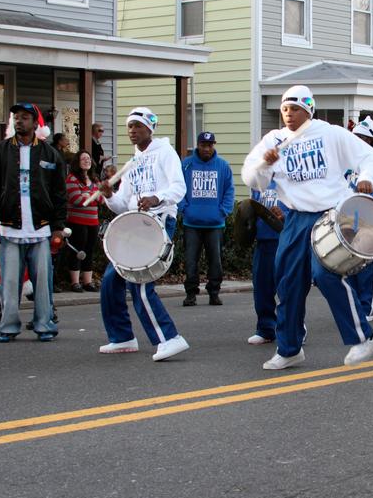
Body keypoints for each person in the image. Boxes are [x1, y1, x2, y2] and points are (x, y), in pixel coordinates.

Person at [241, 85, 373, 370]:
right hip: (294, 219)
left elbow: (370, 156)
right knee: (288, 282)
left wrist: (367, 177)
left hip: (330, 214)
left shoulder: (329, 133)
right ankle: (290, 348)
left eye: (295, 109)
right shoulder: (275, 140)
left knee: (325, 273)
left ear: (309, 109)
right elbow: (251, 177)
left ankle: (363, 337)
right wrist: (263, 165)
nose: (289, 114)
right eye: (284, 109)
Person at [97, 107, 189, 361]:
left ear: (150, 128)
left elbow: (179, 188)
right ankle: (122, 337)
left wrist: (156, 197)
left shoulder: (165, 152)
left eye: (138, 126)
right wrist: (108, 195)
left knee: (139, 284)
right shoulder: (133, 162)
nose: (133, 131)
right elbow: (122, 205)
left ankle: (169, 338)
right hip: (133, 226)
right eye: (129, 127)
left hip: (158, 223)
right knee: (110, 282)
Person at [0, 103, 66, 342]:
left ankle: (44, 324)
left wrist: (58, 226)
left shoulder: (50, 154)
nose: (19, 121)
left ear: (35, 123)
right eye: (16, 118)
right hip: (9, 226)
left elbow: (59, 193)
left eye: (25, 118)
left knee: (42, 282)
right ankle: (8, 326)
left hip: (40, 226)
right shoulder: (1, 151)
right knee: (9, 281)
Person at [343, 116, 373, 322]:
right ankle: (353, 305)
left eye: (362, 137)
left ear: (371, 140)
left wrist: (362, 203)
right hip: (345, 219)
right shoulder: (347, 160)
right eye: (356, 137)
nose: (358, 141)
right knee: (348, 264)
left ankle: (365, 307)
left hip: (370, 220)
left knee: (366, 265)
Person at [180, 131, 235, 306]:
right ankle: (191, 293)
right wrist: (184, 209)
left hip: (215, 223)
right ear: (198, 145)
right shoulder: (186, 165)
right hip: (192, 222)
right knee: (190, 260)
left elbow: (229, 191)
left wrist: (224, 211)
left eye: (210, 145)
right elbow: (178, 188)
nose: (207, 148)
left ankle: (214, 292)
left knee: (216, 261)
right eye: (203, 145)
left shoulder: (223, 166)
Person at [247, 179, 289, 345]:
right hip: (263, 241)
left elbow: (300, 209)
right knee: (262, 287)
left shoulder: (290, 180)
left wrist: (283, 215)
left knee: (287, 288)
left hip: (284, 240)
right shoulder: (258, 183)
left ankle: (296, 328)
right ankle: (266, 329)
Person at [65, 150, 102, 292]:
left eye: (88, 158)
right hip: (77, 221)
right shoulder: (72, 179)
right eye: (83, 159)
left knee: (89, 250)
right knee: (77, 250)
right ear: (77, 162)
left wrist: (88, 194)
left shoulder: (95, 179)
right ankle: (75, 282)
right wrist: (93, 196)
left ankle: (88, 281)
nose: (86, 161)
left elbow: (102, 199)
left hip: (93, 221)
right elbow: (77, 200)